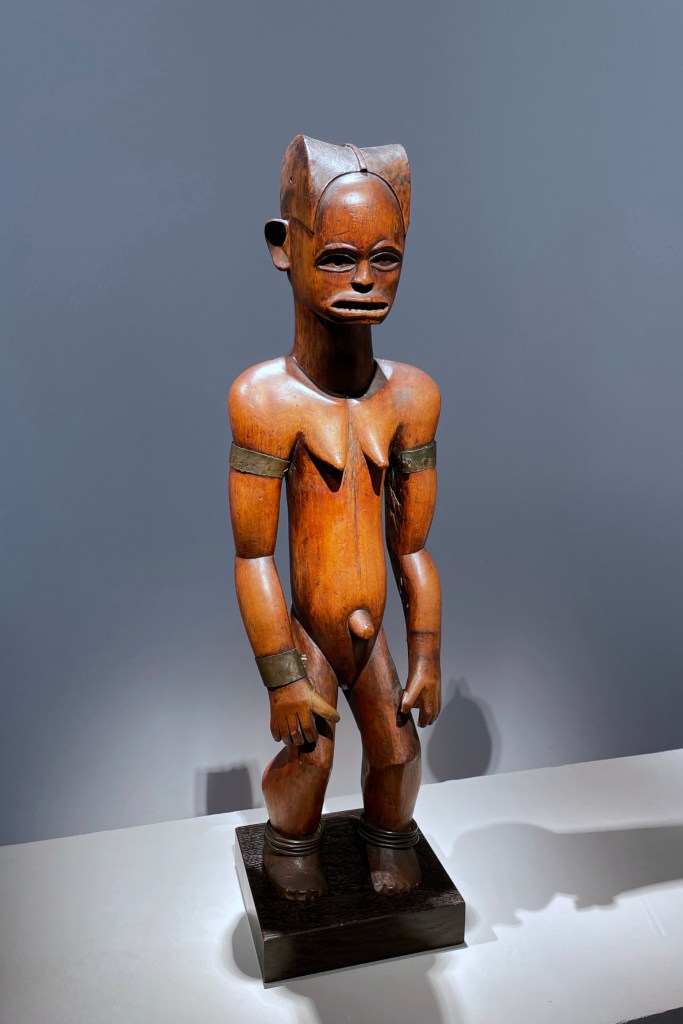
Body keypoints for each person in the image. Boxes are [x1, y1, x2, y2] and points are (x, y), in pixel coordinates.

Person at [228, 135, 442, 900]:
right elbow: (253, 557)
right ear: (283, 248)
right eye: (336, 258)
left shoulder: (411, 398)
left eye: (385, 258)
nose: (362, 280)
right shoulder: (264, 400)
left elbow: (412, 548)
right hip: (311, 632)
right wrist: (282, 679)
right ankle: (291, 844)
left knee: (397, 754)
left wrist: (426, 654)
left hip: (371, 630)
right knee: (309, 758)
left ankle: (389, 837)